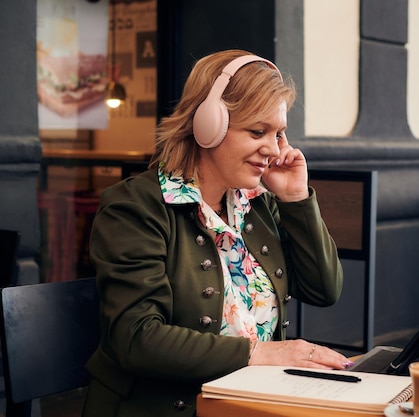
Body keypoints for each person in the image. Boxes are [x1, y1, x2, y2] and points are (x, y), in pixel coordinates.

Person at [82, 49, 350, 417]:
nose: (273, 149)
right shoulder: (135, 207)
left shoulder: (257, 203)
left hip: (249, 404)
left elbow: (324, 289)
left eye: (279, 134)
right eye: (258, 131)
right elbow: (136, 337)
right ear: (209, 124)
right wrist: (260, 353)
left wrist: (295, 199)